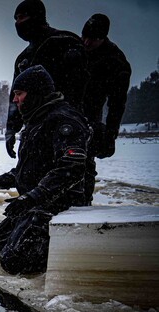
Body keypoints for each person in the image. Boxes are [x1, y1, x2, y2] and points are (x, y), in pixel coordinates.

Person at [0, 66, 90, 275]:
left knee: (16, 262)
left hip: (57, 206)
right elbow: (29, 170)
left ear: (36, 93)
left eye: (19, 94)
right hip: (35, 205)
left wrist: (33, 197)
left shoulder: (63, 120)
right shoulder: (36, 122)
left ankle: (63, 256)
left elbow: (71, 168)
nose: (15, 100)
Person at [4, 0, 89, 159]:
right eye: (16, 19)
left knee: (70, 171)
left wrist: (86, 123)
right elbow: (16, 96)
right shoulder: (24, 58)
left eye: (22, 17)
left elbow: (85, 88)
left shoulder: (65, 42)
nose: (18, 23)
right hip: (35, 129)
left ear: (37, 17)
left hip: (66, 126)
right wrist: (11, 129)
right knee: (30, 175)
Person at [81, 13, 132, 202]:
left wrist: (110, 135)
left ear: (103, 38)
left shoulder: (116, 61)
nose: (86, 43)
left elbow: (117, 104)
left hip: (90, 117)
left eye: (92, 40)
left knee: (83, 162)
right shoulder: (75, 49)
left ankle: (83, 204)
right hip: (65, 110)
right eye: (83, 37)